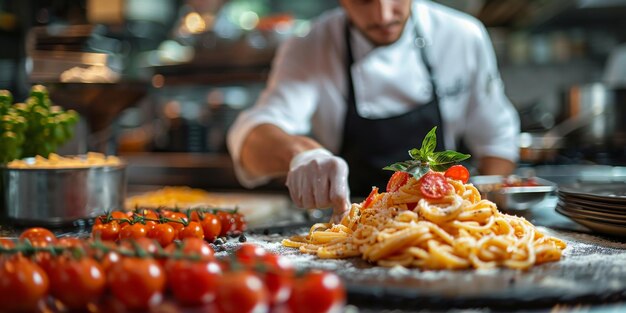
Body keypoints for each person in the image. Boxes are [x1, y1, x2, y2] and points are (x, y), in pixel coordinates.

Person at [226, 0, 520, 222]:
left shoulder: (461, 36)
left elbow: (497, 140)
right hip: (355, 223)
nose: (383, 15)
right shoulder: (310, 47)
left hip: (444, 219)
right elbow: (254, 133)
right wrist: (300, 154)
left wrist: (478, 213)